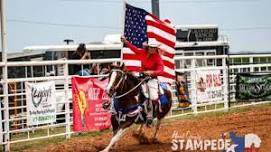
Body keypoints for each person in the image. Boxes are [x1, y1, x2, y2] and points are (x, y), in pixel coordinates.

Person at [121, 36, 164, 126]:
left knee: (152, 96)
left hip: (152, 79)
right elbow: (134, 49)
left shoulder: (157, 57)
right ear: (148, 47)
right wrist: (126, 42)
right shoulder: (142, 52)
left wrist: (151, 72)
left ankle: (150, 114)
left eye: (154, 47)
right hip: (142, 77)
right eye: (151, 47)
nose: (153, 49)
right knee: (133, 89)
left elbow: (161, 70)